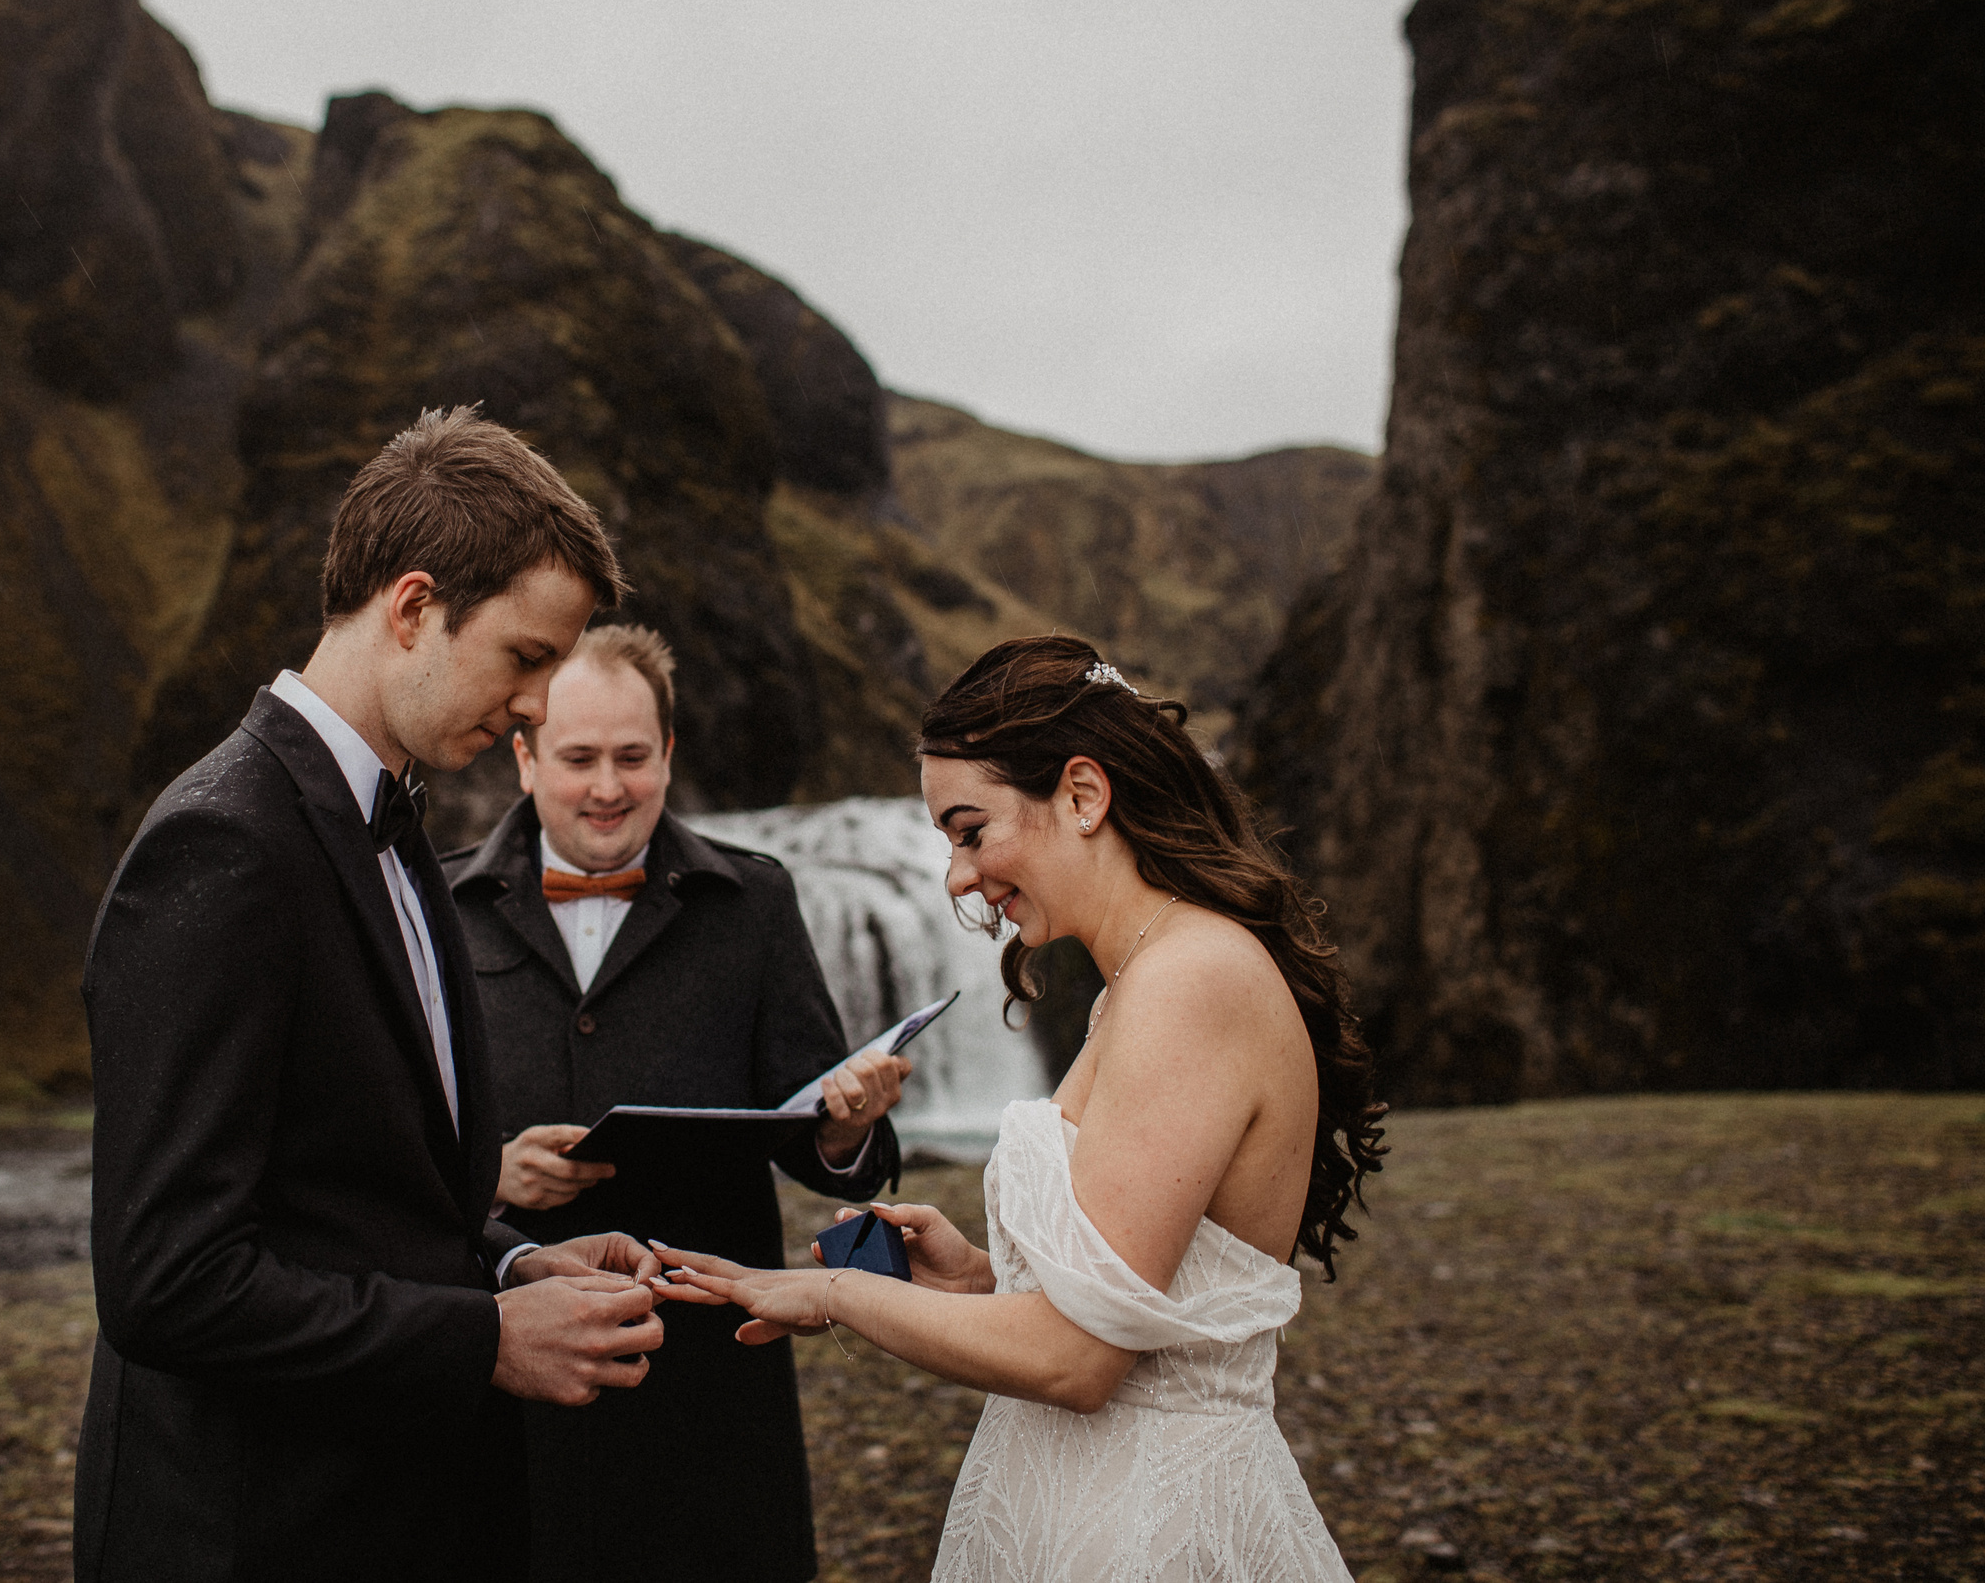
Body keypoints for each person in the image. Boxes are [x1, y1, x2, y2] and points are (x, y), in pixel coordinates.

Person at [73, 407, 673, 1582]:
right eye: (527, 656)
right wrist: (485, 1338)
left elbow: (354, 1199)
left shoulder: (386, 829)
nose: (543, 707)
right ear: (412, 608)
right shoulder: (222, 844)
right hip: (259, 1534)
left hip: (400, 1516)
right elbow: (167, 1283)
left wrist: (509, 1263)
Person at [655, 634, 1388, 1581]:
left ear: (1083, 795)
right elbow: (1138, 1298)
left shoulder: (1189, 980)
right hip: (1105, 1500)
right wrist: (976, 1280)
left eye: (970, 830)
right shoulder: (1144, 982)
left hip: (1151, 1525)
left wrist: (833, 1292)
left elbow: (1080, 1361)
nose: (958, 875)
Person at [444, 622, 911, 1582]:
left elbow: (814, 1130)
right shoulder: (437, 907)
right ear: (525, 757)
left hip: (708, 1369)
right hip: (503, 1363)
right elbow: (381, 1138)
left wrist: (849, 1127)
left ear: (670, 754)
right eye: (578, 758)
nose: (607, 787)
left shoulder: (756, 902)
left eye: (632, 756)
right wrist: (486, 1171)